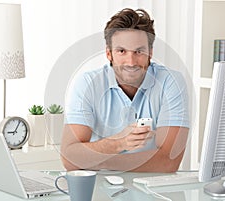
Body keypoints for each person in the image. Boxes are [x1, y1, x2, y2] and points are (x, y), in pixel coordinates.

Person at [61, 8, 190, 172]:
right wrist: (119, 143)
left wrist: (102, 162)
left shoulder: (171, 82)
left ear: (150, 53)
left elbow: (168, 162)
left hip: (152, 190)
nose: (131, 62)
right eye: (122, 51)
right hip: (99, 189)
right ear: (109, 54)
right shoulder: (87, 84)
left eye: (139, 51)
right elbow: (70, 159)